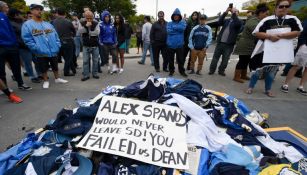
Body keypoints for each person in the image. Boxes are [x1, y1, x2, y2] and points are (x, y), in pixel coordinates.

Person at [247, 0, 302, 97]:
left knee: (271, 73)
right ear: (276, 7)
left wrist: (282, 35)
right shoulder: (267, 20)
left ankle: (268, 90)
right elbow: (256, 33)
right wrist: (269, 36)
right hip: (263, 51)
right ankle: (250, 87)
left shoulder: (293, 19)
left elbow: (297, 32)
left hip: (279, 53)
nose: (284, 8)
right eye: (281, 6)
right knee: (257, 71)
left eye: (287, 6)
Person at [22, 4, 68, 89]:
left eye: (40, 9)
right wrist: (36, 48)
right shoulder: (27, 25)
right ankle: (46, 80)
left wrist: (57, 45)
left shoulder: (47, 24)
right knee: (43, 67)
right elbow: (27, 39)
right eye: (36, 9)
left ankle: (57, 78)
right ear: (31, 11)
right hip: (40, 51)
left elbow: (55, 35)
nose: (39, 11)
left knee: (55, 65)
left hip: (53, 49)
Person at [233, 4, 269, 83]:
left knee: (247, 60)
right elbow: (257, 31)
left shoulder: (257, 20)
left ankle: (243, 75)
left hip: (250, 44)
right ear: (261, 13)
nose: (267, 15)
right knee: (242, 60)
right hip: (245, 43)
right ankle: (236, 76)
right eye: (266, 13)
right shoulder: (253, 20)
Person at [0, 1, 31, 90]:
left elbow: (11, 31)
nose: (7, 8)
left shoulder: (4, 17)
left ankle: (21, 84)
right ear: (1, 7)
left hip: (12, 46)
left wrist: (14, 42)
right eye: (6, 6)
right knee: (1, 70)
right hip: (1, 48)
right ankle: (4, 88)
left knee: (16, 66)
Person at [8, 8, 41, 83]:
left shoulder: (23, 22)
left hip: (32, 44)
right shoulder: (11, 24)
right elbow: (14, 37)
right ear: (15, 15)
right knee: (27, 62)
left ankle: (40, 74)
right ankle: (33, 77)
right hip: (23, 46)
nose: (22, 15)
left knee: (37, 60)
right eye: (20, 14)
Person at [209, 6, 242, 76]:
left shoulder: (239, 22)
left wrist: (233, 13)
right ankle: (212, 70)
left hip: (229, 45)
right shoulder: (227, 20)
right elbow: (219, 22)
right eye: (233, 11)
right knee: (215, 58)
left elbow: (237, 24)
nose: (233, 12)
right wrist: (226, 12)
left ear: (238, 14)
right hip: (220, 43)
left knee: (225, 59)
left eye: (236, 11)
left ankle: (221, 70)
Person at [281, 19, 307, 96]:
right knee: (296, 66)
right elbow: (301, 33)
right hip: (304, 48)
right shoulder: (306, 22)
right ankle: (285, 85)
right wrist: (302, 45)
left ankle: (301, 86)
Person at [53, 8, 76, 76]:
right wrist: (72, 36)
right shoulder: (68, 21)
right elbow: (74, 31)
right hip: (68, 40)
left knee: (66, 57)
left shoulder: (53, 22)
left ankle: (73, 69)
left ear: (57, 13)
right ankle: (66, 72)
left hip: (57, 41)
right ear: (65, 14)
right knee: (69, 57)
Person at [78, 10, 100, 81]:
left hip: (95, 45)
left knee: (96, 60)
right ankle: (86, 75)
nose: (89, 19)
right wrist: (85, 26)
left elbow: (97, 32)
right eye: (87, 18)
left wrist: (89, 32)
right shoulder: (81, 22)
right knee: (85, 61)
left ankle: (95, 73)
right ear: (85, 17)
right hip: (86, 45)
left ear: (93, 17)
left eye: (91, 18)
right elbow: (80, 31)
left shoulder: (96, 23)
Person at [166, 8, 187, 77]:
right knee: (170, 60)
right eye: (175, 15)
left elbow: (182, 29)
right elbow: (169, 31)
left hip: (179, 45)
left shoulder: (183, 22)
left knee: (181, 59)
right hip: (170, 44)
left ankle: (182, 71)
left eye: (177, 15)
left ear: (179, 16)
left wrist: (174, 28)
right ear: (173, 16)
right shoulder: (169, 23)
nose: (176, 16)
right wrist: (178, 29)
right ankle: (171, 71)